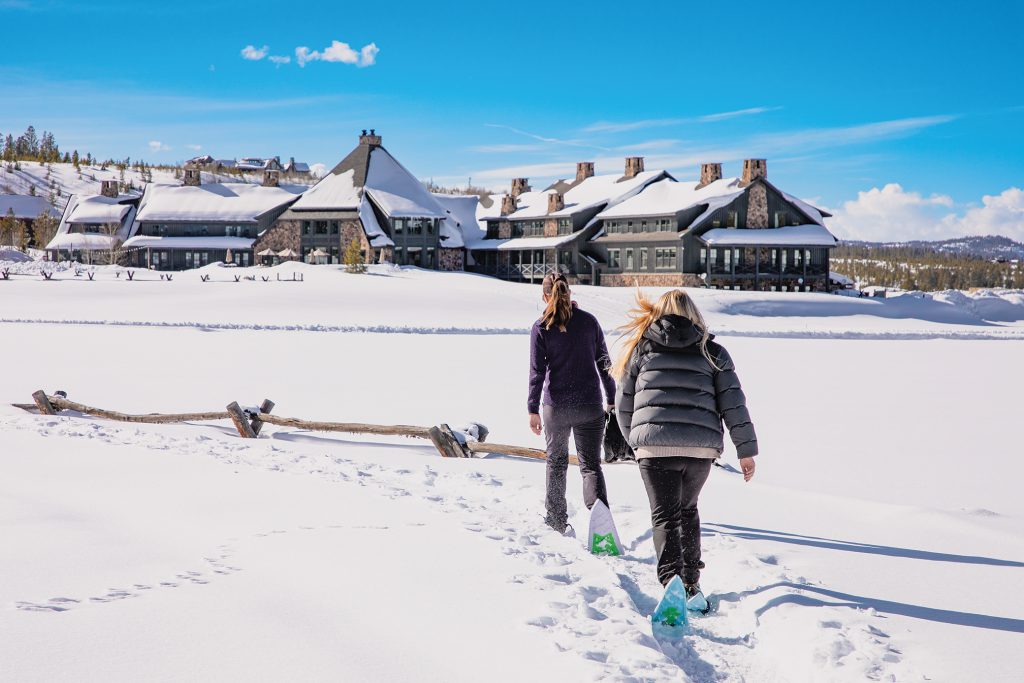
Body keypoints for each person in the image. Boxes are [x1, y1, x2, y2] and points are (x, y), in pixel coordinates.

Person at [613, 289, 757, 604]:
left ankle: (671, 585)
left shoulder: (641, 350)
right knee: (688, 510)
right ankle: (691, 585)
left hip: (653, 448)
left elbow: (624, 402)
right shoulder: (712, 351)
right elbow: (733, 404)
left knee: (664, 516)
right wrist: (745, 450)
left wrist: (635, 441)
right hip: (699, 449)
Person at [528, 272, 616, 534]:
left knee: (556, 464)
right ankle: (601, 524)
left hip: (556, 407)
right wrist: (611, 398)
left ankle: (556, 522)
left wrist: (532, 409)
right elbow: (605, 364)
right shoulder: (589, 322)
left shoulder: (541, 326)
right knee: (591, 467)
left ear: (545, 295)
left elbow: (537, 372)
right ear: (570, 292)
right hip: (589, 406)